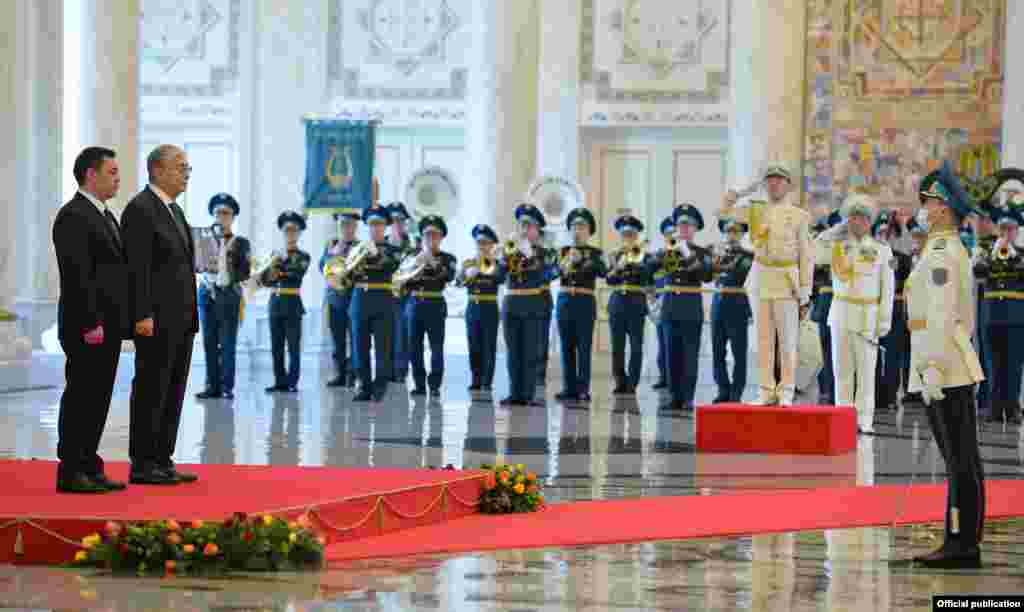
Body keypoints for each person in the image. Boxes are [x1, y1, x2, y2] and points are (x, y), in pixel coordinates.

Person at [907, 162, 986, 568]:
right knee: (962, 457)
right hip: (949, 362)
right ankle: (963, 539)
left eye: (929, 201)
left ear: (943, 208)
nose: (923, 207)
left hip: (945, 367)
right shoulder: (946, 248)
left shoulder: (941, 251)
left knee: (959, 460)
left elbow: (940, 312)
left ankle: (960, 542)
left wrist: (933, 366)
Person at [52, 146, 130, 493]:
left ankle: (89, 463)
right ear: (90, 174)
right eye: (112, 172)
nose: (117, 179)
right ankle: (71, 469)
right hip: (88, 324)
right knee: (82, 395)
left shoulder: (104, 214)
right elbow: (77, 276)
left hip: (108, 323)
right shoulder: (74, 215)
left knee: (98, 396)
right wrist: (91, 322)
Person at [121, 144, 199, 485]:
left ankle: (162, 458)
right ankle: (143, 462)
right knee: (152, 388)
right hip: (155, 319)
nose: (186, 174)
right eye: (180, 167)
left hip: (181, 319)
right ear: (156, 170)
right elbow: (136, 268)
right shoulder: (141, 208)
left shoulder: (174, 211)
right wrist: (142, 314)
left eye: (187, 168)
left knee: (174, 389)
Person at [721, 165, 813, 406]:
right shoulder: (755, 211)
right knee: (763, 339)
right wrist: (742, 191)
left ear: (788, 184)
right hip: (760, 276)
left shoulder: (799, 216)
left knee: (787, 339)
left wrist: (806, 290)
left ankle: (786, 391)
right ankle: (765, 390)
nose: (774, 184)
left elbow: (806, 254)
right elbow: (722, 212)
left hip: (786, 279)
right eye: (770, 180)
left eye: (779, 180)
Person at [820, 194, 894, 434]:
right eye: (852, 218)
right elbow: (814, 249)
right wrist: (835, 230)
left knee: (865, 371)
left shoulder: (882, 250)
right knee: (842, 370)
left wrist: (884, 320)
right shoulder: (836, 246)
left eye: (862, 218)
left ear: (869, 222)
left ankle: (864, 419)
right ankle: (844, 416)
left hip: (867, 315)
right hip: (841, 312)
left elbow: (888, 288)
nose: (856, 222)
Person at [647, 204, 714, 411]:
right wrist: (663, 251)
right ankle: (674, 396)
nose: (684, 229)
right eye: (680, 225)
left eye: (688, 226)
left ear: (695, 229)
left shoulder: (701, 252)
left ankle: (687, 398)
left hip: (690, 306)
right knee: (671, 354)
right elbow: (647, 268)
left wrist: (688, 254)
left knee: (689, 355)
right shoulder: (667, 250)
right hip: (670, 308)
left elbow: (707, 275)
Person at [499, 204, 559, 406]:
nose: (524, 229)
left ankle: (529, 394)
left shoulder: (545, 253)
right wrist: (501, 258)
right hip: (511, 305)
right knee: (513, 352)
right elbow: (498, 276)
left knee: (530, 352)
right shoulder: (509, 251)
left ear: (537, 230)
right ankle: (515, 393)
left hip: (533, 305)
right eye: (522, 225)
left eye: (529, 226)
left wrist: (530, 254)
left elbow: (549, 274)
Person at [196, 193, 251, 400]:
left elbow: (245, 272)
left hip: (228, 294)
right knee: (209, 341)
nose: (221, 217)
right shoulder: (203, 238)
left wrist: (226, 262)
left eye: (226, 213)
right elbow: (197, 264)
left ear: (233, 217)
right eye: (217, 212)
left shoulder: (240, 243)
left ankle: (227, 386)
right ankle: (212, 385)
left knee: (227, 342)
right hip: (206, 293)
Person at [974, 207, 1024, 425]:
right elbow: (978, 272)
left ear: (1017, 231)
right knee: (993, 365)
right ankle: (994, 409)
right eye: (1002, 228)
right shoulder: (987, 251)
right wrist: (992, 254)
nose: (1006, 233)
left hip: (1016, 318)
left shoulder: (1021, 254)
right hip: (991, 317)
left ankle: (1012, 409)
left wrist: (1012, 256)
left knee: (1013, 366)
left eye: (1010, 229)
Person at [397, 215, 457, 397]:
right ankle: (419, 384)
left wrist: (432, 261)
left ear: (441, 238)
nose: (431, 239)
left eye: (435, 235)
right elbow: (401, 282)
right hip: (414, 304)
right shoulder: (411, 256)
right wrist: (412, 272)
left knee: (436, 347)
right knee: (414, 347)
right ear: (422, 237)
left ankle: (435, 384)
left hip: (435, 303)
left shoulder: (447, 258)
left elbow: (449, 277)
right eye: (427, 235)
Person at [348, 204, 403, 401]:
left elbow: (391, 265)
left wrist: (376, 254)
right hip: (360, 298)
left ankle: (380, 385)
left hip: (383, 298)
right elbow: (348, 275)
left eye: (379, 224)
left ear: (386, 226)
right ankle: (364, 385)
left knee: (383, 345)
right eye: (371, 224)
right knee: (359, 345)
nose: (375, 228)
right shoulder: (356, 249)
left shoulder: (393, 249)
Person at [555, 208, 608, 402]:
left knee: (584, 348)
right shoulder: (562, 251)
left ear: (589, 231)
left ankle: (583, 388)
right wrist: (565, 262)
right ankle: (569, 387)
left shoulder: (596, 253)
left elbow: (603, 272)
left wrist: (584, 258)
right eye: (574, 226)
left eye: (581, 227)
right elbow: (553, 272)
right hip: (565, 301)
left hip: (585, 302)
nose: (577, 230)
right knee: (566, 347)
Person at [261, 211, 311, 393]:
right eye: (286, 231)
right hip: (275, 303)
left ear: (298, 234)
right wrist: (271, 270)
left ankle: (292, 382)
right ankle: (279, 381)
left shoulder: (303, 256)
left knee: (293, 347)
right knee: (276, 347)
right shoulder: (275, 254)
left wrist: (277, 268)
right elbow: (266, 280)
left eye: (293, 231)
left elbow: (295, 273)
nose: (290, 234)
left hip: (292, 303)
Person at [606, 215, 652, 395]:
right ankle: (619, 381)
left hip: (636, 303)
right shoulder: (614, 254)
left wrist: (637, 261)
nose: (627, 238)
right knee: (617, 346)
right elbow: (609, 279)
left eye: (631, 235)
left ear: (636, 236)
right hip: (617, 303)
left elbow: (648, 277)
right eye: (624, 235)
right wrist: (618, 266)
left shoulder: (644, 256)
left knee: (636, 346)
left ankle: (633, 383)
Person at [872, 210, 912, 413]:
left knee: (894, 355)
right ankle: (876, 394)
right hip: (873, 306)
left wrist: (900, 230)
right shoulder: (869, 254)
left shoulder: (899, 256)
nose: (883, 236)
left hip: (894, 306)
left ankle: (889, 396)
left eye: (887, 233)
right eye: (880, 233)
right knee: (873, 354)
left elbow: (903, 267)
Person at [711, 218, 754, 403]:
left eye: (735, 232)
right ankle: (722, 389)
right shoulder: (718, 253)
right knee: (717, 351)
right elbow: (710, 274)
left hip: (737, 307)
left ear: (742, 234)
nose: (731, 235)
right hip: (719, 306)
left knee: (739, 353)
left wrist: (741, 252)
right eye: (728, 231)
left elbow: (745, 272)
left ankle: (736, 392)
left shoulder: (747, 256)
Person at [458, 224, 505, 393]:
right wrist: (465, 275)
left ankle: (487, 381)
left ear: (492, 245)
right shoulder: (468, 262)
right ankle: (475, 379)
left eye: (485, 243)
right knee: (474, 345)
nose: (482, 246)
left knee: (488, 345)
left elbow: (500, 277)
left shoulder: (497, 263)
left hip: (489, 307)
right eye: (479, 243)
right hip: (472, 307)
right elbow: (457, 282)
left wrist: (482, 267)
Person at [321, 211, 361, 388]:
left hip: (354, 299)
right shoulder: (331, 245)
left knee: (355, 339)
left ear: (355, 227)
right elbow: (322, 267)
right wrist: (333, 255)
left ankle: (352, 374)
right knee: (337, 340)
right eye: (343, 225)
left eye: (350, 225)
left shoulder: (360, 246)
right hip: (334, 299)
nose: (346, 228)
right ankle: (339, 373)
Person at [811, 210, 842, 405]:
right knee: (824, 350)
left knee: (840, 351)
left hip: (846, 302)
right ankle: (826, 390)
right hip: (825, 300)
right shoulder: (823, 246)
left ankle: (837, 393)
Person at [386, 202, 416, 383]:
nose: (397, 224)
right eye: (394, 220)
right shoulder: (382, 244)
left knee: (402, 334)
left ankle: (400, 371)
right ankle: (386, 369)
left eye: (400, 220)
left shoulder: (412, 244)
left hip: (405, 295)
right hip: (385, 295)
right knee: (385, 333)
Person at [651, 216, 675, 390]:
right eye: (668, 233)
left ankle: (674, 378)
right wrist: (652, 298)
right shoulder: (658, 255)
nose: (671, 236)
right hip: (660, 303)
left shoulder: (682, 252)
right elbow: (651, 279)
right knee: (662, 343)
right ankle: (664, 377)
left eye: (673, 232)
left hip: (678, 302)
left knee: (675, 344)